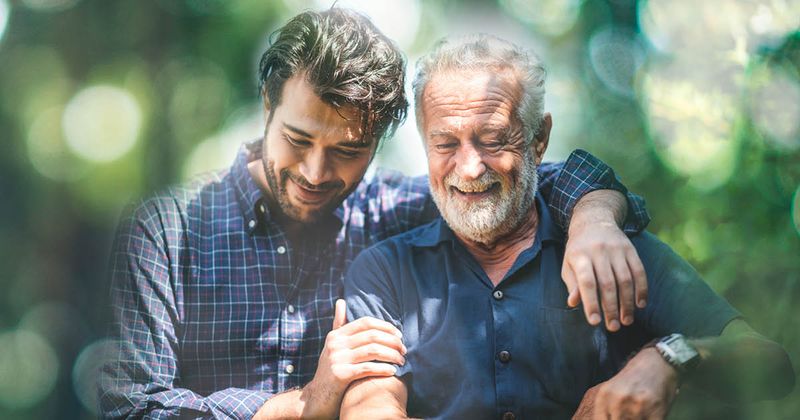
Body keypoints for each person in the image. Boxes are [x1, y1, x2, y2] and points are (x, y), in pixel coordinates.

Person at [99, 9, 652, 419]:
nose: (316, 173)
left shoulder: (396, 209)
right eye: (297, 139)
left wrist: (594, 219)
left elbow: (518, 179)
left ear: (381, 142)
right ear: (268, 107)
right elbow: (131, 408)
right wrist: (300, 406)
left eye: (347, 151)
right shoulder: (165, 232)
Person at [340, 34, 795, 420]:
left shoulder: (612, 250)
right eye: (445, 143)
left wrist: (670, 355)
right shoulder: (385, 270)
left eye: (493, 140)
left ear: (539, 139)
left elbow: (772, 364)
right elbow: (369, 404)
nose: (470, 167)